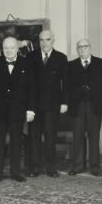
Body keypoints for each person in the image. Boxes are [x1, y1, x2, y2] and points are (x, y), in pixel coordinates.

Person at [0, 37, 36, 184]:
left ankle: (15, 172)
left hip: (18, 110)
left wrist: (30, 110)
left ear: (17, 49)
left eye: (12, 48)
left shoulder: (27, 63)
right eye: (6, 48)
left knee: (16, 142)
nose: (9, 51)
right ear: (2, 49)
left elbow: (32, 88)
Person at [27, 30, 69, 177]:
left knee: (51, 137)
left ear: (53, 40)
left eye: (47, 39)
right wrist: (29, 107)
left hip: (52, 105)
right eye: (42, 40)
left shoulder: (61, 58)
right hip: (34, 105)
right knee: (34, 138)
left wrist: (64, 102)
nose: (44, 43)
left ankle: (51, 168)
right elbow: (28, 83)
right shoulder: (30, 56)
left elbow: (66, 82)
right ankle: (35, 168)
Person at [67, 39, 102, 176]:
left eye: (85, 46)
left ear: (90, 47)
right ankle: (77, 166)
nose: (83, 49)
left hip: (94, 105)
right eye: (80, 47)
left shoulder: (101, 63)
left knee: (94, 137)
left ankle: (95, 167)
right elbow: (67, 87)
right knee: (77, 136)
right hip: (77, 106)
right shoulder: (71, 65)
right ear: (77, 49)